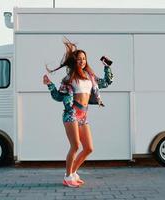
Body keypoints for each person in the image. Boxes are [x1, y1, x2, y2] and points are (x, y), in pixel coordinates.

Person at [42, 38, 113, 188]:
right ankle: (68, 177)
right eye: (79, 59)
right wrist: (49, 85)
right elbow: (57, 97)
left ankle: (73, 173)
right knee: (75, 146)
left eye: (84, 59)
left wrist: (107, 67)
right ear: (74, 62)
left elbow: (106, 82)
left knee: (89, 148)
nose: (82, 61)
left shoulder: (90, 77)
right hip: (71, 114)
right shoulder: (69, 79)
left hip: (83, 116)